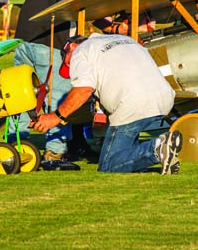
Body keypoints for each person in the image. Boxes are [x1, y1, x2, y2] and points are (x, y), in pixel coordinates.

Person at [10, 0, 115, 170]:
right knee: (58, 96)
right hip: (53, 38)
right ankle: (54, 152)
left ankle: (14, 144)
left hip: (24, 34)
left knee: (19, 93)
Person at [31, 34, 182, 174]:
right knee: (126, 149)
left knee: (109, 164)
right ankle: (164, 155)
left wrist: (55, 117)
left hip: (132, 104)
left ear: (70, 47)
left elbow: (83, 89)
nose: (71, 69)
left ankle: (157, 148)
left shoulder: (81, 51)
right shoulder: (123, 39)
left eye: (68, 63)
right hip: (165, 98)